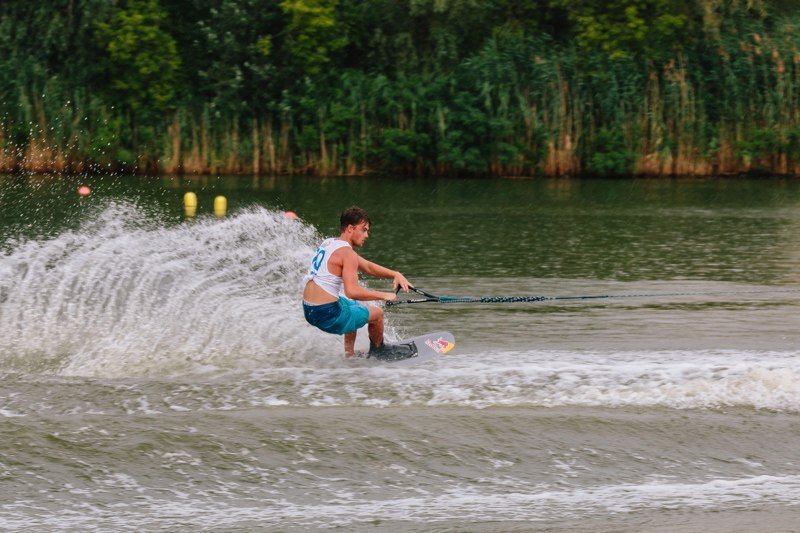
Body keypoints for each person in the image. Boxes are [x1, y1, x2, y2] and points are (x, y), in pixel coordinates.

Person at [302, 206, 414, 360]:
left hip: (309, 309)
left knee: (352, 305)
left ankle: (349, 356)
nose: (366, 235)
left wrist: (395, 274)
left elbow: (367, 266)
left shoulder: (330, 243)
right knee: (377, 314)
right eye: (364, 230)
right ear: (350, 228)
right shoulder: (347, 254)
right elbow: (352, 291)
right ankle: (379, 352)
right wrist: (384, 295)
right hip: (326, 314)